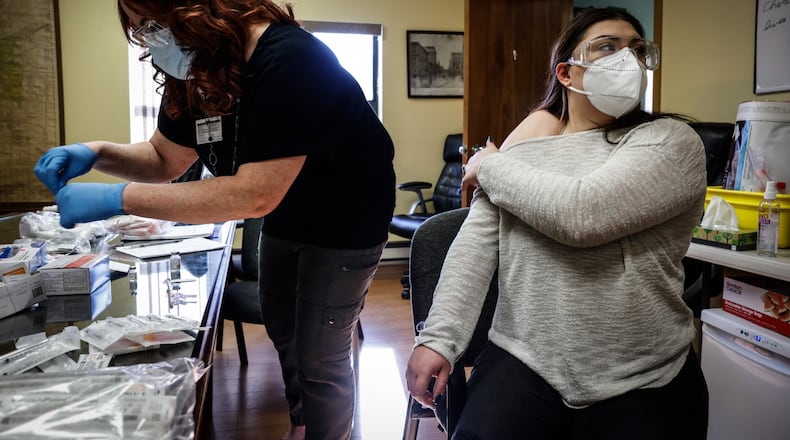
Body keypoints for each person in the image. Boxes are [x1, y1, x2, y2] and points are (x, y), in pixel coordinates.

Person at [34, 1, 395, 439]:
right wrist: (96, 153)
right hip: (287, 208)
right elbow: (163, 158)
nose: (149, 39)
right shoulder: (198, 68)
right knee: (283, 330)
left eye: (151, 23)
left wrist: (120, 198)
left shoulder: (290, 59)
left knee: (320, 355)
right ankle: (303, 423)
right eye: (137, 29)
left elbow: (254, 193)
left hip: (346, 217)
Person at [405, 7, 709, 440]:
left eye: (638, 50)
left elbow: (584, 214)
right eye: (608, 47)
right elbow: (475, 247)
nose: (628, 60)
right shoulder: (524, 154)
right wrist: (438, 339)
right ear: (566, 73)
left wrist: (489, 164)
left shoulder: (670, 142)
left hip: (645, 371)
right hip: (525, 356)